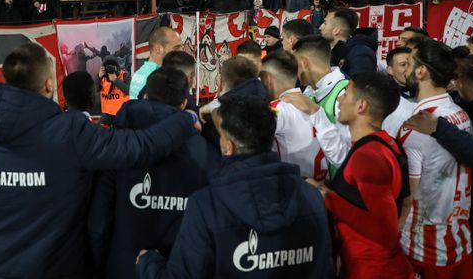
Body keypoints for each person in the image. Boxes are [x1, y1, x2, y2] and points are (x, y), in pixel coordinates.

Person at [0, 43, 199, 278]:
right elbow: (139, 147)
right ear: (49, 84)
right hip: (53, 268)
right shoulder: (69, 132)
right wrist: (184, 119)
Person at [136, 95, 333, 278]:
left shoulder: (207, 206)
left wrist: (148, 263)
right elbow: (325, 269)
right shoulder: (312, 197)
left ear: (228, 147)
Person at [88, 67, 218, 279]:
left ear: (146, 96)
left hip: (122, 266)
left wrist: (99, 264)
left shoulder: (117, 145)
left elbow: (99, 220)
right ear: (184, 104)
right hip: (181, 268)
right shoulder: (208, 154)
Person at [293, 72, 414, 278]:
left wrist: (326, 196)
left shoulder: (368, 157)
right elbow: (405, 201)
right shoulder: (389, 144)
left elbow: (384, 230)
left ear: (361, 106)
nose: (339, 100)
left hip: (373, 271)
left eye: (346, 94)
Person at [397, 41, 473, 278]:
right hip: (460, 238)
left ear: (422, 72)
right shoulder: (460, 114)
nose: (404, 70)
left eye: (408, 64)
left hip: (425, 247)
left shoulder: (417, 126)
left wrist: (394, 234)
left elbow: (410, 198)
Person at [260, 50, 331, 180]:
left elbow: (247, 140)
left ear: (267, 79)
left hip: (295, 189)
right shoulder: (312, 103)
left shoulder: (278, 109)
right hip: (321, 187)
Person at [292, 36, 350, 169]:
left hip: (338, 186)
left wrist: (317, 114)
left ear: (304, 62)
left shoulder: (344, 94)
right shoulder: (309, 93)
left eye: (294, 63)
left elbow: (346, 159)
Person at [320, 7, 377, 76]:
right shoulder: (327, 52)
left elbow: (359, 85)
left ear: (336, 30)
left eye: (325, 23)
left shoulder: (361, 54)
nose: (320, 27)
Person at [129, 27, 183, 99]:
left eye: (181, 47)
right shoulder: (159, 78)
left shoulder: (139, 73)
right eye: (176, 48)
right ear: (158, 49)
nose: (182, 52)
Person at [98, 55, 131, 125]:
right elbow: (95, 90)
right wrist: (98, 78)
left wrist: (115, 80)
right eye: (107, 67)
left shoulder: (124, 76)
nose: (110, 68)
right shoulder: (102, 78)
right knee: (97, 132)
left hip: (122, 114)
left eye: (112, 66)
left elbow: (130, 91)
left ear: (117, 67)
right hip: (107, 115)